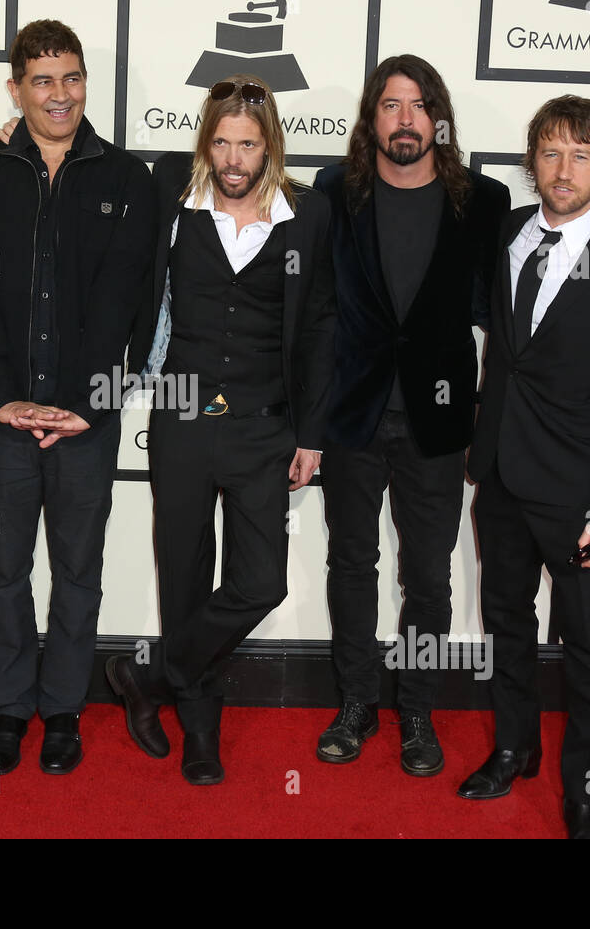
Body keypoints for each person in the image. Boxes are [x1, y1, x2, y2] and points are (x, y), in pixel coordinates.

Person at [107, 75, 336, 784]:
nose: (234, 159)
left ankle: (152, 678)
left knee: (259, 582)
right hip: (182, 417)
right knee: (183, 576)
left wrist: (313, 432)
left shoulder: (309, 214)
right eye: (223, 141)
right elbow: (87, 179)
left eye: (249, 145)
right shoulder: (172, 192)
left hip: (265, 425)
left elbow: (323, 327)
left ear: (270, 149)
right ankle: (199, 731)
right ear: (205, 141)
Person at [0, 20, 156, 776]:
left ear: (85, 84)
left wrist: (88, 406)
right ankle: (9, 708)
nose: (59, 93)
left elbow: (134, 305)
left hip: (87, 424)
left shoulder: (131, 181)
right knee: (1, 570)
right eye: (42, 80)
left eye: (71, 77)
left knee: (77, 570)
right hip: (0, 422)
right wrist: (1, 400)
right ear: (15, 89)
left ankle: (63, 709)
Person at [458, 95, 590, 838]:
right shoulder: (510, 232)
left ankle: (583, 793)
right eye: (550, 153)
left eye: (580, 154)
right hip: (503, 479)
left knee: (588, 649)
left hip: (580, 497)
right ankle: (514, 748)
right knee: (507, 625)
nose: (564, 169)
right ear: (532, 162)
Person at [312, 55, 509, 775]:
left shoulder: (482, 204)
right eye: (391, 106)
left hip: (438, 422)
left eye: (419, 106)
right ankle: (358, 703)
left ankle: (418, 710)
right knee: (350, 565)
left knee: (428, 577)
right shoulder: (335, 195)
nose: (405, 119)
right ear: (372, 121)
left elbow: (507, 323)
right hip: (352, 416)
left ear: (440, 120)